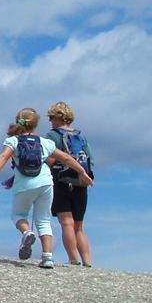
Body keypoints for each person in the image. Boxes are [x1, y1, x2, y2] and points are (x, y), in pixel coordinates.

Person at [0, 108, 93, 269]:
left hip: (24, 184)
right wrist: (82, 172)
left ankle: (26, 232)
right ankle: (47, 257)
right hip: (46, 183)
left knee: (18, 215)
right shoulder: (45, 142)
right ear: (35, 125)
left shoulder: (13, 141)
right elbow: (66, 158)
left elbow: (4, 156)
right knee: (44, 219)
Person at [46, 101, 94, 267]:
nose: (50, 121)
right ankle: (87, 262)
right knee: (79, 226)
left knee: (66, 222)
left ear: (59, 118)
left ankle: (74, 260)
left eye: (51, 117)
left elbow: (50, 160)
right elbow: (90, 159)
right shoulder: (81, 136)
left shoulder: (53, 136)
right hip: (81, 182)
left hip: (61, 181)